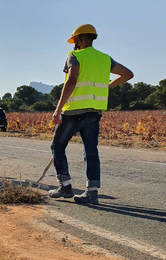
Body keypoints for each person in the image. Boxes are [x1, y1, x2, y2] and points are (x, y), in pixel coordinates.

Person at [49, 24, 133, 204]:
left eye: (75, 41)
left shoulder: (75, 56)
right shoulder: (105, 59)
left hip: (73, 112)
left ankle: (65, 186)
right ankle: (92, 192)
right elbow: (127, 74)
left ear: (79, 40)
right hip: (94, 112)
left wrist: (58, 109)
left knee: (57, 147)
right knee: (90, 150)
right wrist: (107, 86)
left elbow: (71, 81)